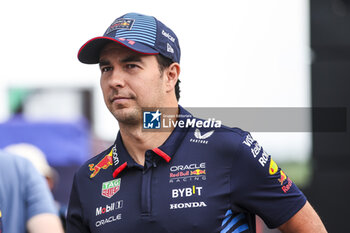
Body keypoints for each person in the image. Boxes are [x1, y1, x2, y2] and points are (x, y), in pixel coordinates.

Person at [66, 12, 327, 233]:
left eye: (131, 65)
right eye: (106, 68)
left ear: (170, 76)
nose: (115, 80)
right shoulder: (89, 178)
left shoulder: (228, 148)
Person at [0, 149, 64, 233]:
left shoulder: (62, 211)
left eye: (47, 179)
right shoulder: (22, 167)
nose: (47, 185)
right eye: (42, 179)